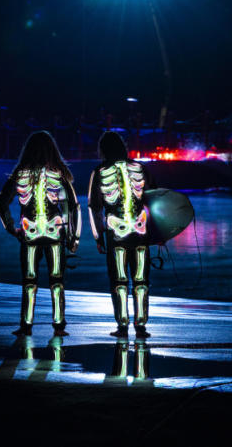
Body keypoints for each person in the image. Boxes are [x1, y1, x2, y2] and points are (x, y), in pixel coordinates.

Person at [0, 131, 81, 337]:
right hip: (54, 234)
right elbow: (73, 207)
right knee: (57, 280)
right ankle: (59, 325)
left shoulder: (20, 174)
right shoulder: (60, 174)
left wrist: (11, 228)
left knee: (29, 280)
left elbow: (1, 202)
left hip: (30, 234)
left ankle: (26, 325)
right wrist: (73, 237)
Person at [87, 131, 156, 338]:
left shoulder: (99, 171)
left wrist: (98, 236)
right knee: (141, 280)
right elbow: (154, 199)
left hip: (115, 235)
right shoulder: (141, 168)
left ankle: (123, 324)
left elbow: (94, 206)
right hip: (141, 234)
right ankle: (141, 325)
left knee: (119, 280)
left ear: (103, 149)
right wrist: (157, 233)